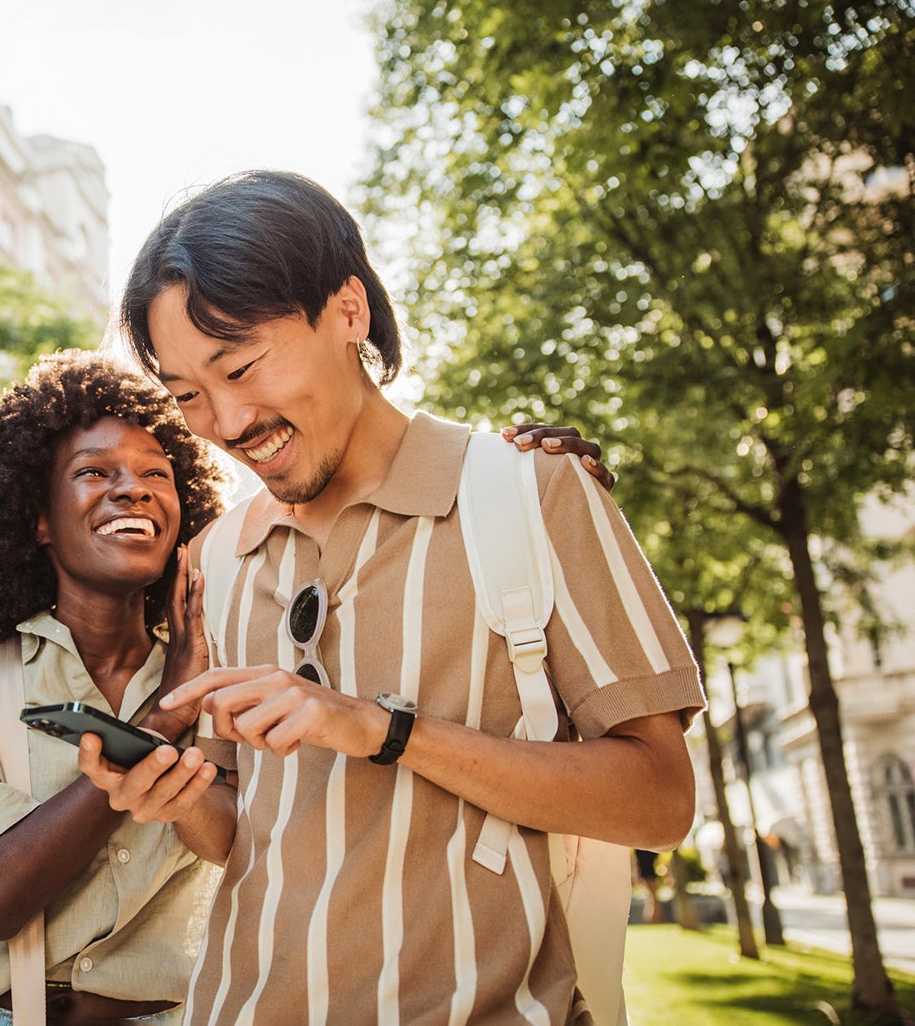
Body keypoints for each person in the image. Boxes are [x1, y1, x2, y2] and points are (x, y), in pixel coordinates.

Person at [87, 170, 705, 1023]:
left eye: (240, 366)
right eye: (189, 394)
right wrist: (177, 795)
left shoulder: (534, 493)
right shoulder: (215, 559)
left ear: (347, 310)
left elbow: (662, 799)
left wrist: (380, 729)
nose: (227, 422)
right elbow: (245, 832)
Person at [0, 350, 232, 1026]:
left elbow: (254, 845)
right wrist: (158, 727)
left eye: (155, 475)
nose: (132, 489)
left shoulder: (223, 676)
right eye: (94, 472)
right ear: (37, 518)